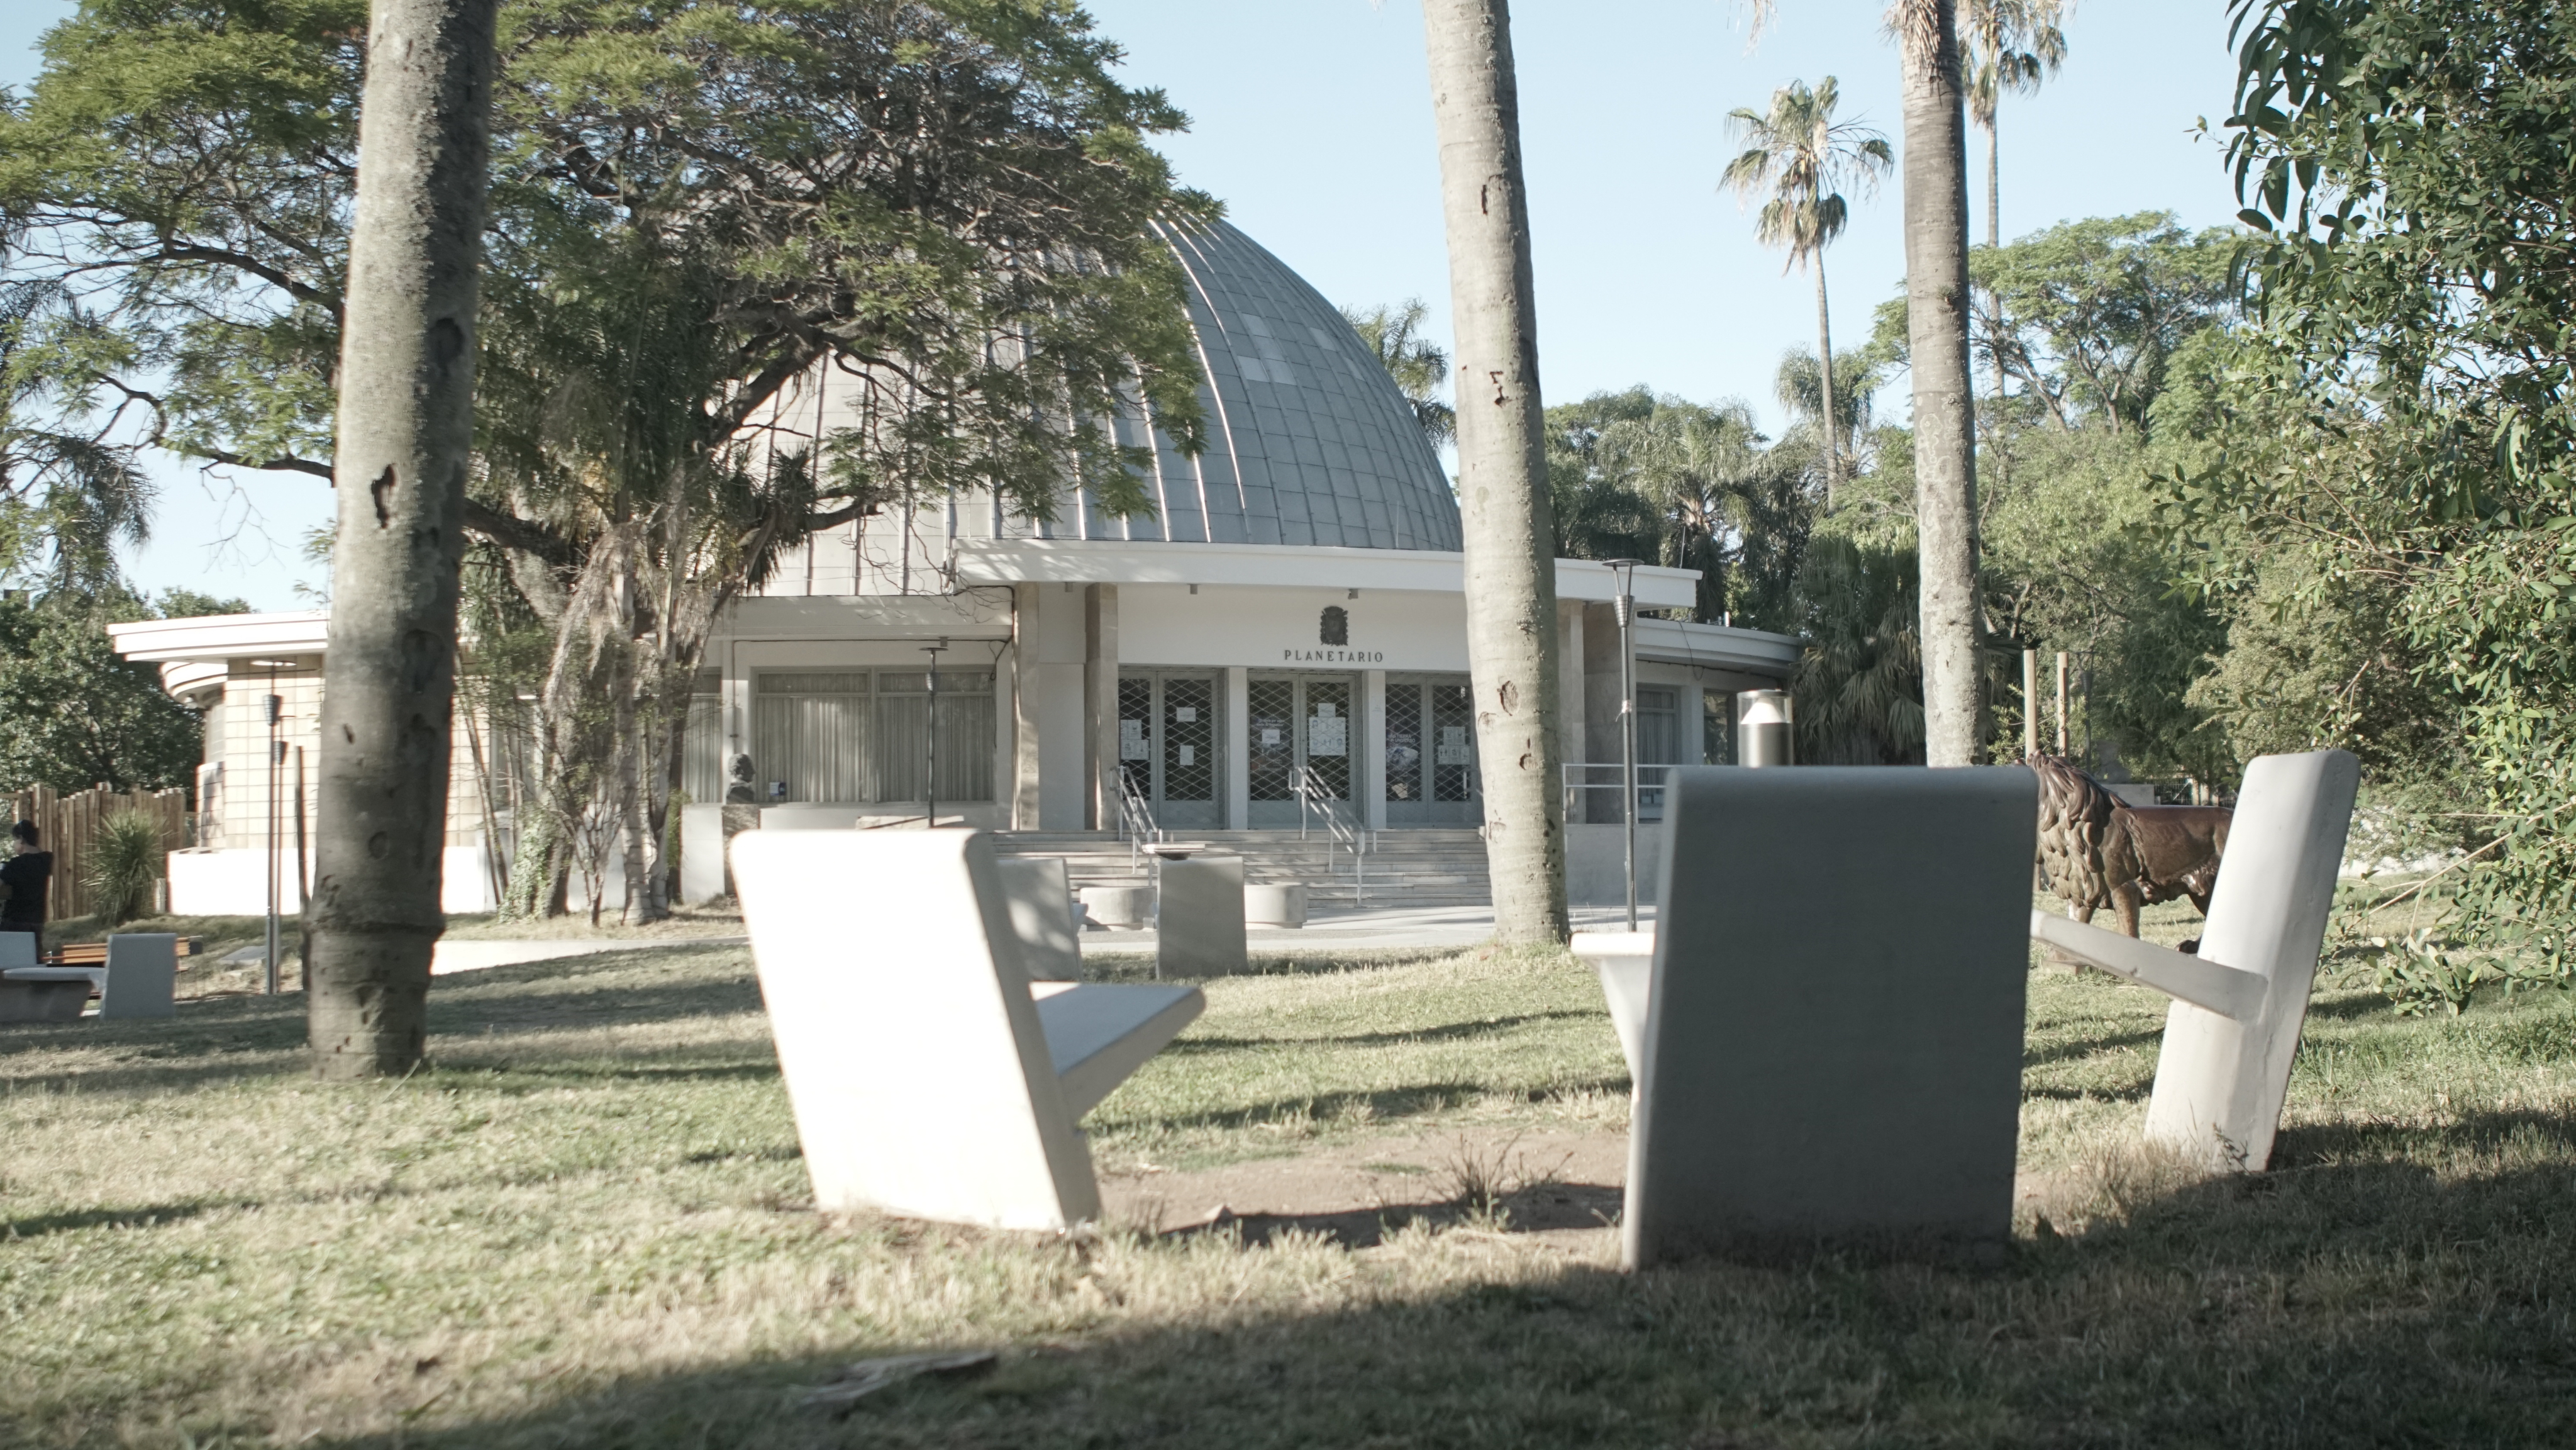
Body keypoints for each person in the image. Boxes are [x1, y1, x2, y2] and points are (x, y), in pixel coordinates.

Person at [0, 820, 51, 958]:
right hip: (37, 921)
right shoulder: (47, 860)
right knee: (33, 958)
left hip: (14, 922)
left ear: (21, 839)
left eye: (15, 840)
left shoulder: (15, 865)